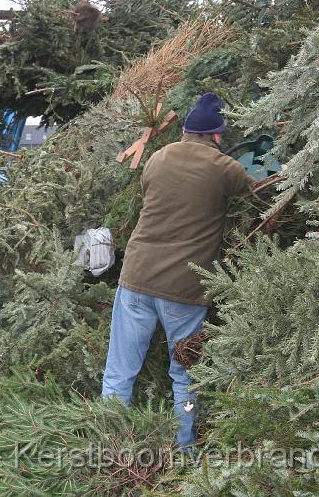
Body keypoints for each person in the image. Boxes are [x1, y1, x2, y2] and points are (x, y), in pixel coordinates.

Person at [101, 92, 255, 447]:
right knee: (185, 374)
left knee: (119, 371)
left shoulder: (156, 158)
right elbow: (258, 196)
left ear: (185, 131)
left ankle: (107, 449)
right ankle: (183, 455)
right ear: (217, 136)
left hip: (136, 278)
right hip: (184, 289)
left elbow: (150, 193)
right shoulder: (225, 168)